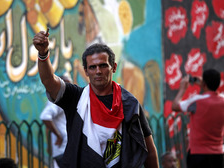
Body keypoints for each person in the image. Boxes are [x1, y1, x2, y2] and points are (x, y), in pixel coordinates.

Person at [33, 31, 159, 168]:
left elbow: (149, 150)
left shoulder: (129, 103)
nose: (98, 71)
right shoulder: (76, 98)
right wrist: (43, 54)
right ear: (86, 71)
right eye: (92, 67)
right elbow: (49, 81)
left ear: (114, 67)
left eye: (103, 65)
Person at [172, 69, 224, 168]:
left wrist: (183, 88)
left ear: (204, 84)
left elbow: (175, 106)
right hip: (218, 155)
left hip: (198, 155)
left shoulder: (196, 101)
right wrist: (205, 85)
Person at [40, 75, 73, 168]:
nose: (69, 87)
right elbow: (45, 117)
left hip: (65, 147)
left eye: (70, 84)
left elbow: (49, 124)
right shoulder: (58, 100)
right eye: (67, 84)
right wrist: (58, 135)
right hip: (62, 148)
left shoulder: (66, 99)